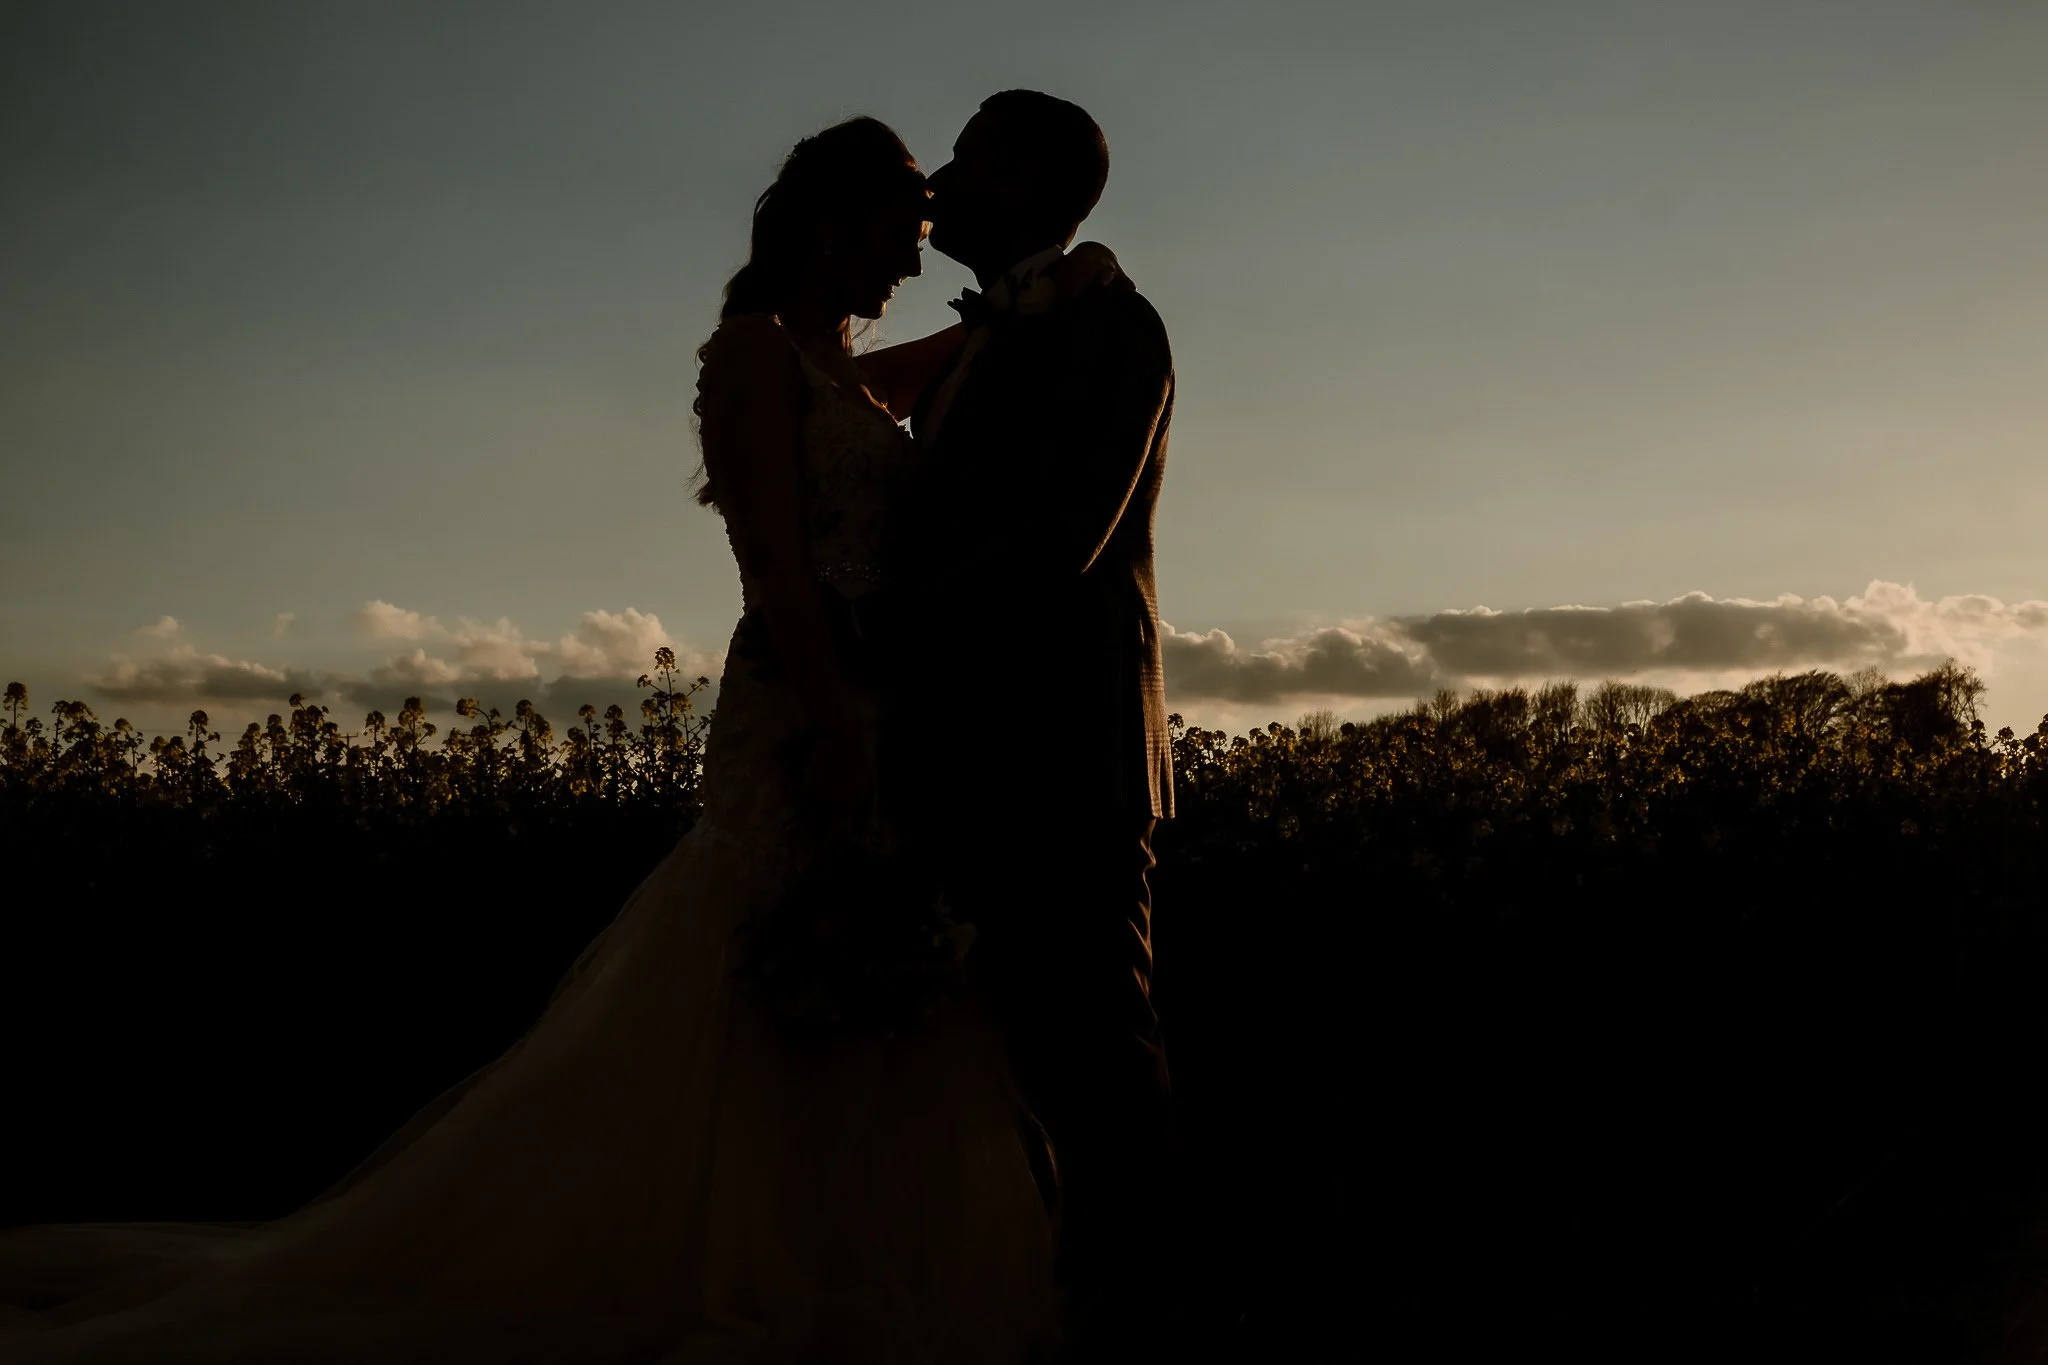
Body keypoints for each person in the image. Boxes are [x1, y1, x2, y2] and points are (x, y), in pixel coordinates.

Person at [0, 114, 1129, 1365]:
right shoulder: (752, 357)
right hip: (809, 709)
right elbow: (773, 574)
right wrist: (831, 729)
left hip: (888, 713)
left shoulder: (846, 368)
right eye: (891, 237)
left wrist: (1067, 285)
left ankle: (837, 1264)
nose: (910, 266)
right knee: (767, 979)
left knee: (878, 993)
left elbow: (976, 345)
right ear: (826, 227)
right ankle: (737, 1267)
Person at [879, 90, 1180, 1362]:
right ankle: (1032, 1302)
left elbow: (1066, 537)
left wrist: (880, 625)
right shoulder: (980, 342)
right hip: (966, 748)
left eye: (964, 157)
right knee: (993, 1059)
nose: (938, 178)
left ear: (1027, 180)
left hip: (1065, 746)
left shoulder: (1113, 326)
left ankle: (1147, 1314)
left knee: (1091, 1050)